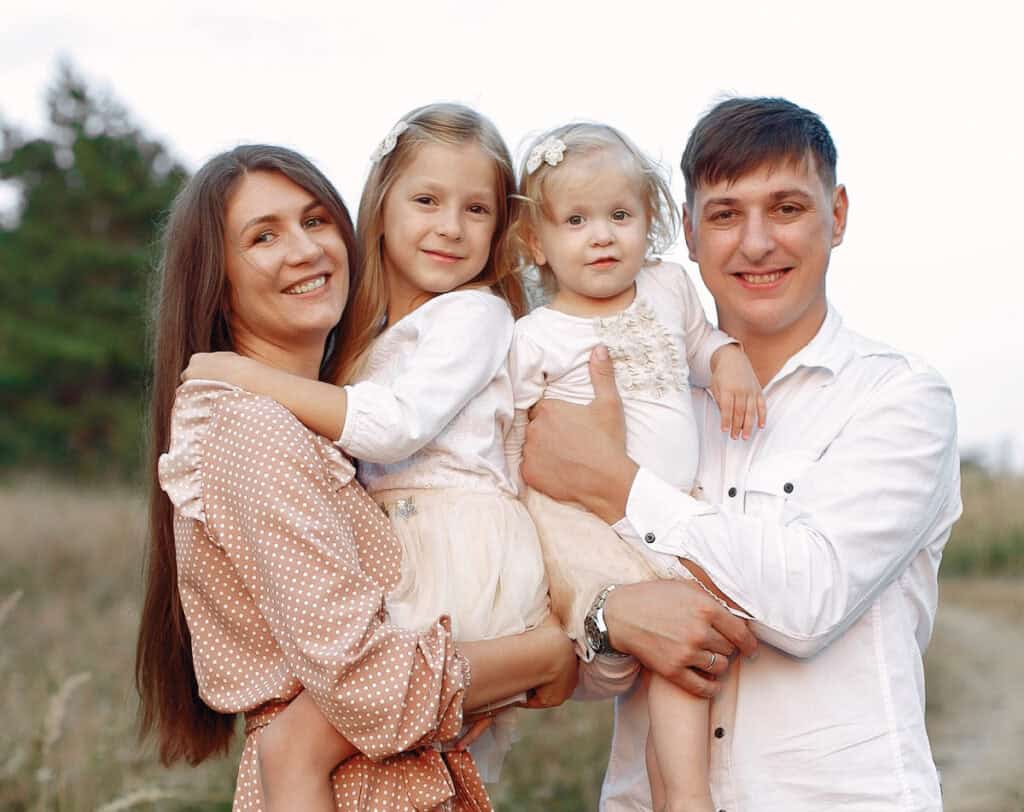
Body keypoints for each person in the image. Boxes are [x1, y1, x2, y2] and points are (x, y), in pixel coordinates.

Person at [521, 97, 962, 811]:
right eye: (725, 214)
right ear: (689, 233)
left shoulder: (899, 398)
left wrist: (617, 484)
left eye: (786, 208)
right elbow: (575, 667)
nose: (756, 243)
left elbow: (808, 603)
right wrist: (609, 617)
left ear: (838, 214)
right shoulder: (635, 397)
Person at [135, 143, 577, 811]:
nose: (305, 250)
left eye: (315, 221)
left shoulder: (326, 418)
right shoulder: (251, 430)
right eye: (263, 236)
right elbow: (370, 684)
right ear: (216, 280)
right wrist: (547, 652)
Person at [505, 121, 763, 812]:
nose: (601, 235)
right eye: (577, 220)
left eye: (620, 216)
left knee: (682, 649)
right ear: (537, 243)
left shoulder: (668, 288)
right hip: (586, 522)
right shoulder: (534, 337)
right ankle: (685, 797)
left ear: (649, 223)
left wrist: (727, 360)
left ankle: (678, 795)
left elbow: (703, 342)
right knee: (666, 640)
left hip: (670, 505)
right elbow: (512, 439)